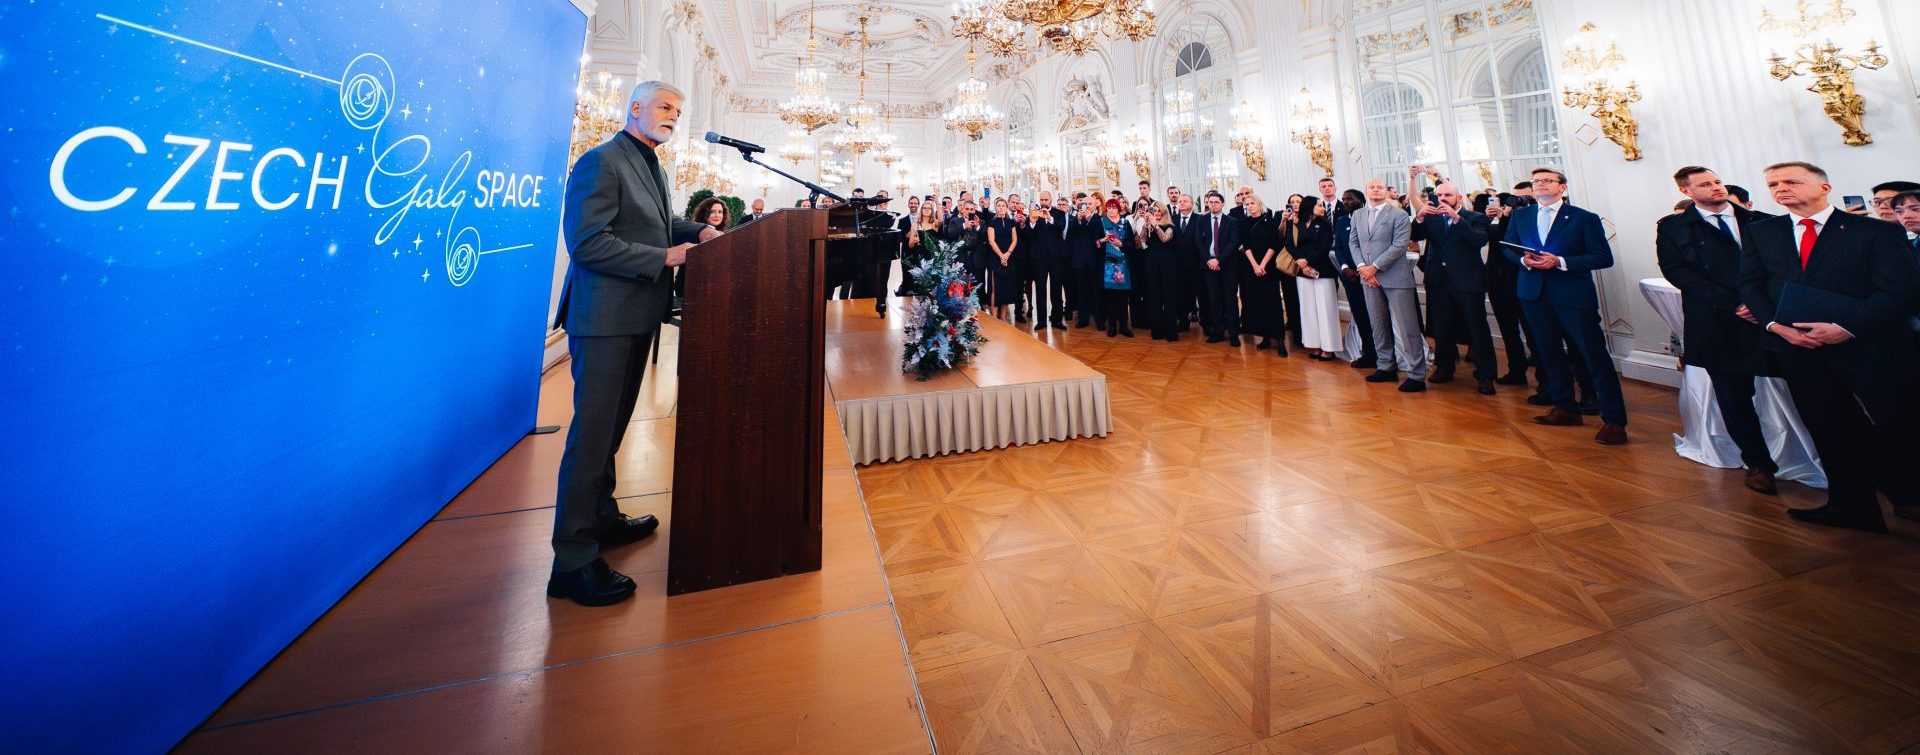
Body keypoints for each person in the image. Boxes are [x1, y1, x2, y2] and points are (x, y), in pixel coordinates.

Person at [551, 80, 720, 607]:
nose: (673, 115)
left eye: (678, 108)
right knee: (591, 439)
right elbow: (587, 242)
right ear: (636, 109)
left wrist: (696, 233)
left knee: (611, 433)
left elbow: (657, 223)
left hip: (634, 316)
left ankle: (600, 517)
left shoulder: (648, 163)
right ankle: (572, 561)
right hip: (603, 320)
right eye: (665, 106)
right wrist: (667, 258)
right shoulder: (601, 161)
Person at [1740, 162, 1920, 532]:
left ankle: (1908, 496)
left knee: (1900, 425)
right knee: (1829, 429)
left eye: (1791, 181)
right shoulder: (1763, 231)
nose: (1781, 189)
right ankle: (1851, 506)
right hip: (1797, 350)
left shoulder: (1875, 231)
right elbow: (1752, 284)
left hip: (1869, 347)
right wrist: (1776, 327)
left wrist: (1847, 327)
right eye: (1773, 184)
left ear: (1824, 188)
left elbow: (1900, 293)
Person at [1656, 166, 1780, 494]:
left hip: (1768, 319)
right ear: (1686, 191)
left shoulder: (1762, 220)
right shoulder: (1673, 227)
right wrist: (1734, 304)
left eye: (1716, 181)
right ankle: (1758, 462)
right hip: (1715, 320)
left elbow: (1780, 267)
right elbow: (1677, 271)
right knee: (1733, 396)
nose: (1714, 188)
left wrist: (1759, 304)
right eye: (1705, 184)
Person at [1504, 167, 1629, 444]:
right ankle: (1565, 407)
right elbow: (1508, 249)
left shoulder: (1584, 218)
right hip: (1533, 293)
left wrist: (1559, 262)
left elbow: (1601, 256)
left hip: (1572, 295)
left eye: (1547, 180)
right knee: (1548, 353)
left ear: (1563, 187)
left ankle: (1614, 420)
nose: (1539, 185)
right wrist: (1523, 261)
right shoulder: (1522, 216)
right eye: (1536, 181)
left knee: (1593, 355)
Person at [1411, 181, 1497, 395]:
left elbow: (1479, 241)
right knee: (1442, 327)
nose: (1443, 199)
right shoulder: (1431, 217)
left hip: (1467, 280)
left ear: (1458, 198)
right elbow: (1415, 235)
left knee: (1477, 328)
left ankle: (1486, 375)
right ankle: (1445, 367)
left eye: (1448, 195)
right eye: (1439, 195)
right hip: (1438, 280)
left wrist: (1457, 218)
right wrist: (1420, 216)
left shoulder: (1475, 218)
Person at [1351, 179, 1426, 392]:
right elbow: (1353, 242)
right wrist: (1362, 267)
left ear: (1386, 192)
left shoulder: (1399, 215)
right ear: (1366, 191)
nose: (1376, 190)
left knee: (1407, 326)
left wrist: (1374, 267)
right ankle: (1385, 366)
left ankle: (1417, 374)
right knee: (1378, 323)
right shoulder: (1358, 215)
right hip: (1368, 278)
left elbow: (1400, 245)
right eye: (1372, 187)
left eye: (1380, 187)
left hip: (1395, 277)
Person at [1479, 192, 1532, 385]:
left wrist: (1507, 214)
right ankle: (1516, 370)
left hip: (1518, 277)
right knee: (1508, 329)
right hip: (1496, 279)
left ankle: (1544, 378)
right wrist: (1491, 218)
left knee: (1530, 328)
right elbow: (1486, 240)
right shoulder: (1489, 221)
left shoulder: (1521, 219)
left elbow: (1512, 243)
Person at [1289, 195, 1344, 361]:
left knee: (1326, 309)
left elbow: (1324, 247)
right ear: (1310, 207)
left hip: (1323, 270)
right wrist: (1302, 263)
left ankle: (1329, 347)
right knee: (1308, 309)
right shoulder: (1297, 223)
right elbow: (1289, 244)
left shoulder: (1325, 224)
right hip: (1303, 271)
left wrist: (1308, 261)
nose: (1322, 208)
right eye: (1319, 205)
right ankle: (1314, 344)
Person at [1332, 189, 1378, 369]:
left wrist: (1368, 268)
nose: (1345, 202)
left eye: (1349, 199)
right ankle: (1368, 353)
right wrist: (1345, 268)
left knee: (1378, 316)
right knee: (1360, 315)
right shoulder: (1342, 221)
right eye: (1343, 199)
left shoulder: (1371, 217)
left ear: (1361, 200)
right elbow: (1340, 248)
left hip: (1371, 274)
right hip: (1351, 276)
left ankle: (1386, 354)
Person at [1237, 193, 1286, 354]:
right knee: (1257, 302)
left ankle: (1279, 339)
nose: (1249, 206)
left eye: (1252, 203)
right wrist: (1255, 265)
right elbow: (1246, 245)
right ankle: (1265, 337)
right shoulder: (1244, 223)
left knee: (1272, 302)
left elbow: (1274, 244)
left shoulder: (1270, 221)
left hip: (1268, 266)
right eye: (1247, 204)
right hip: (1251, 267)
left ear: (1259, 204)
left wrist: (1263, 264)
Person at [1194, 190, 1242, 346]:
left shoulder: (1232, 221)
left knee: (1230, 299)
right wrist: (1209, 260)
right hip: (1208, 266)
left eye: (1216, 202)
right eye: (1210, 202)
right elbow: (1199, 242)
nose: (1212, 204)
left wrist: (1218, 260)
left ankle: (1234, 334)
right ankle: (1219, 332)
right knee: (1214, 300)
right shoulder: (1201, 220)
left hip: (1227, 266)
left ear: (1222, 204)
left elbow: (1233, 243)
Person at [1140, 201, 1181, 341]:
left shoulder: (1170, 226)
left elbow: (1164, 238)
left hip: (1167, 264)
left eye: (1159, 211)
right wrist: (1146, 224)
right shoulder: (1149, 226)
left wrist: (1155, 225)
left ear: (1164, 213)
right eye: (1154, 211)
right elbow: (1142, 240)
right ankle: (1157, 330)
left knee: (1169, 297)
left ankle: (1171, 332)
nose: (1156, 213)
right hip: (1151, 263)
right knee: (1154, 296)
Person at [1067, 195, 1107, 329]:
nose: (1087, 206)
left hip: (1094, 261)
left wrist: (1089, 218)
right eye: (1084, 204)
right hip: (1079, 261)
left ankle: (1100, 320)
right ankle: (1083, 319)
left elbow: (1100, 235)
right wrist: (1078, 220)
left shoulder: (1099, 219)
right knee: (1081, 291)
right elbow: (1070, 236)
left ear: (1096, 205)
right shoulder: (1076, 219)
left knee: (1097, 291)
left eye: (1090, 203)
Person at [985, 197, 1020, 320]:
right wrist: (1001, 256)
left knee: (1006, 287)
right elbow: (991, 241)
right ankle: (995, 318)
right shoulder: (991, 222)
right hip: (995, 258)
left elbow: (1015, 239)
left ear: (1006, 207)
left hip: (1009, 257)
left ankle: (1003, 316)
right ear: (996, 208)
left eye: (1003, 205)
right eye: (999, 205)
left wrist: (1007, 254)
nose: (1001, 208)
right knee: (995, 287)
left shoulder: (1011, 223)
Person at [943, 199, 988, 289]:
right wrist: (964, 226)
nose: (969, 211)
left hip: (976, 259)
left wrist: (978, 226)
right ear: (962, 210)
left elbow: (985, 238)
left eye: (971, 209)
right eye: (967, 209)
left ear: (974, 211)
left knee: (977, 286)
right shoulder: (954, 221)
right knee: (960, 286)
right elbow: (950, 235)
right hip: (961, 258)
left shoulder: (981, 222)